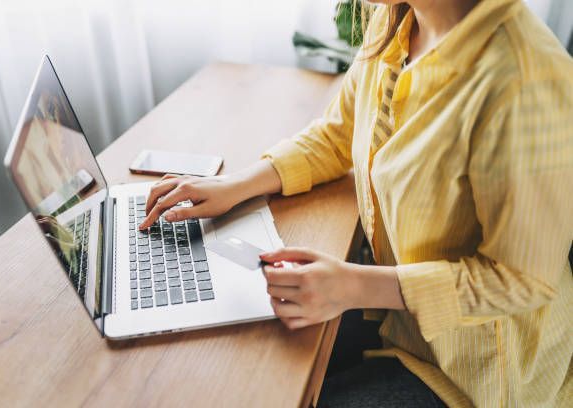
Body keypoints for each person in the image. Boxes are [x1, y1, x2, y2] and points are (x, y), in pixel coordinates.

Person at [139, 0, 573, 406]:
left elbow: (521, 280)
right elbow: (338, 133)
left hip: (476, 374)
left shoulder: (526, 79)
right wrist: (234, 186)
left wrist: (354, 286)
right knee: (237, 356)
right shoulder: (395, 18)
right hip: (392, 314)